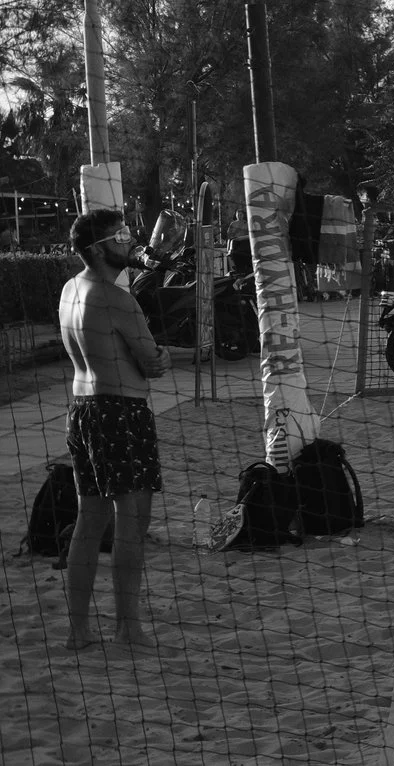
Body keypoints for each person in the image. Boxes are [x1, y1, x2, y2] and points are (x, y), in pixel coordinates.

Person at [58, 207, 189, 650]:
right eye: (121, 236)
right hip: (121, 412)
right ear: (98, 249)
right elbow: (151, 362)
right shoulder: (117, 299)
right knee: (131, 522)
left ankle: (78, 632)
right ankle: (127, 629)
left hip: (82, 410)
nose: (130, 241)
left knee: (89, 520)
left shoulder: (69, 290)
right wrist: (162, 359)